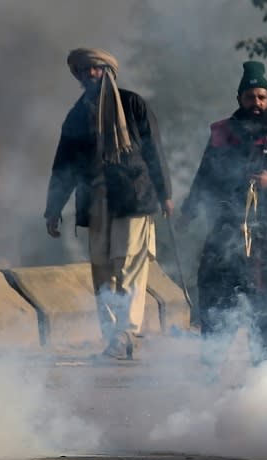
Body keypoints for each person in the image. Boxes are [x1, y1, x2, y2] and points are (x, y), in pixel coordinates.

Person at [44, 48, 173, 359]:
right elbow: (64, 165)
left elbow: (154, 151)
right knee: (102, 271)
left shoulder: (132, 104)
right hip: (95, 202)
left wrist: (165, 193)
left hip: (134, 197)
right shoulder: (77, 115)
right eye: (84, 70)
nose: (90, 75)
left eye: (95, 69)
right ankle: (113, 336)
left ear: (109, 73)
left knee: (128, 266)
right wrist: (53, 209)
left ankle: (126, 334)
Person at [177, 61, 267, 364]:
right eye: (251, 97)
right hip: (226, 231)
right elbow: (204, 176)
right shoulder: (222, 133)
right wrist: (189, 212)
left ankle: (265, 370)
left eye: (262, 97)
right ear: (240, 99)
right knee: (215, 297)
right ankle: (211, 367)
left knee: (266, 304)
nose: (256, 103)